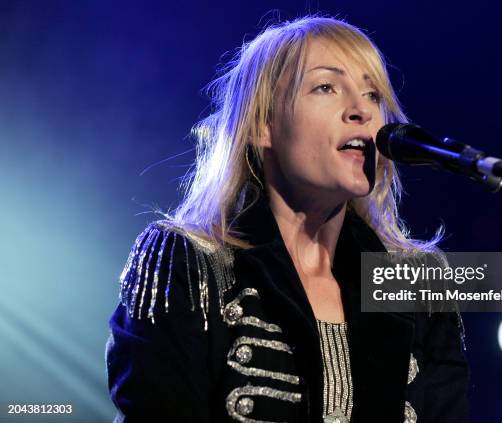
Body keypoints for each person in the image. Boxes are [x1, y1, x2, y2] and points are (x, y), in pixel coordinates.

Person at [105, 16, 469, 423]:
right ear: (263, 125)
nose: (362, 110)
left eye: (372, 93)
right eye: (326, 87)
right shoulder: (189, 263)